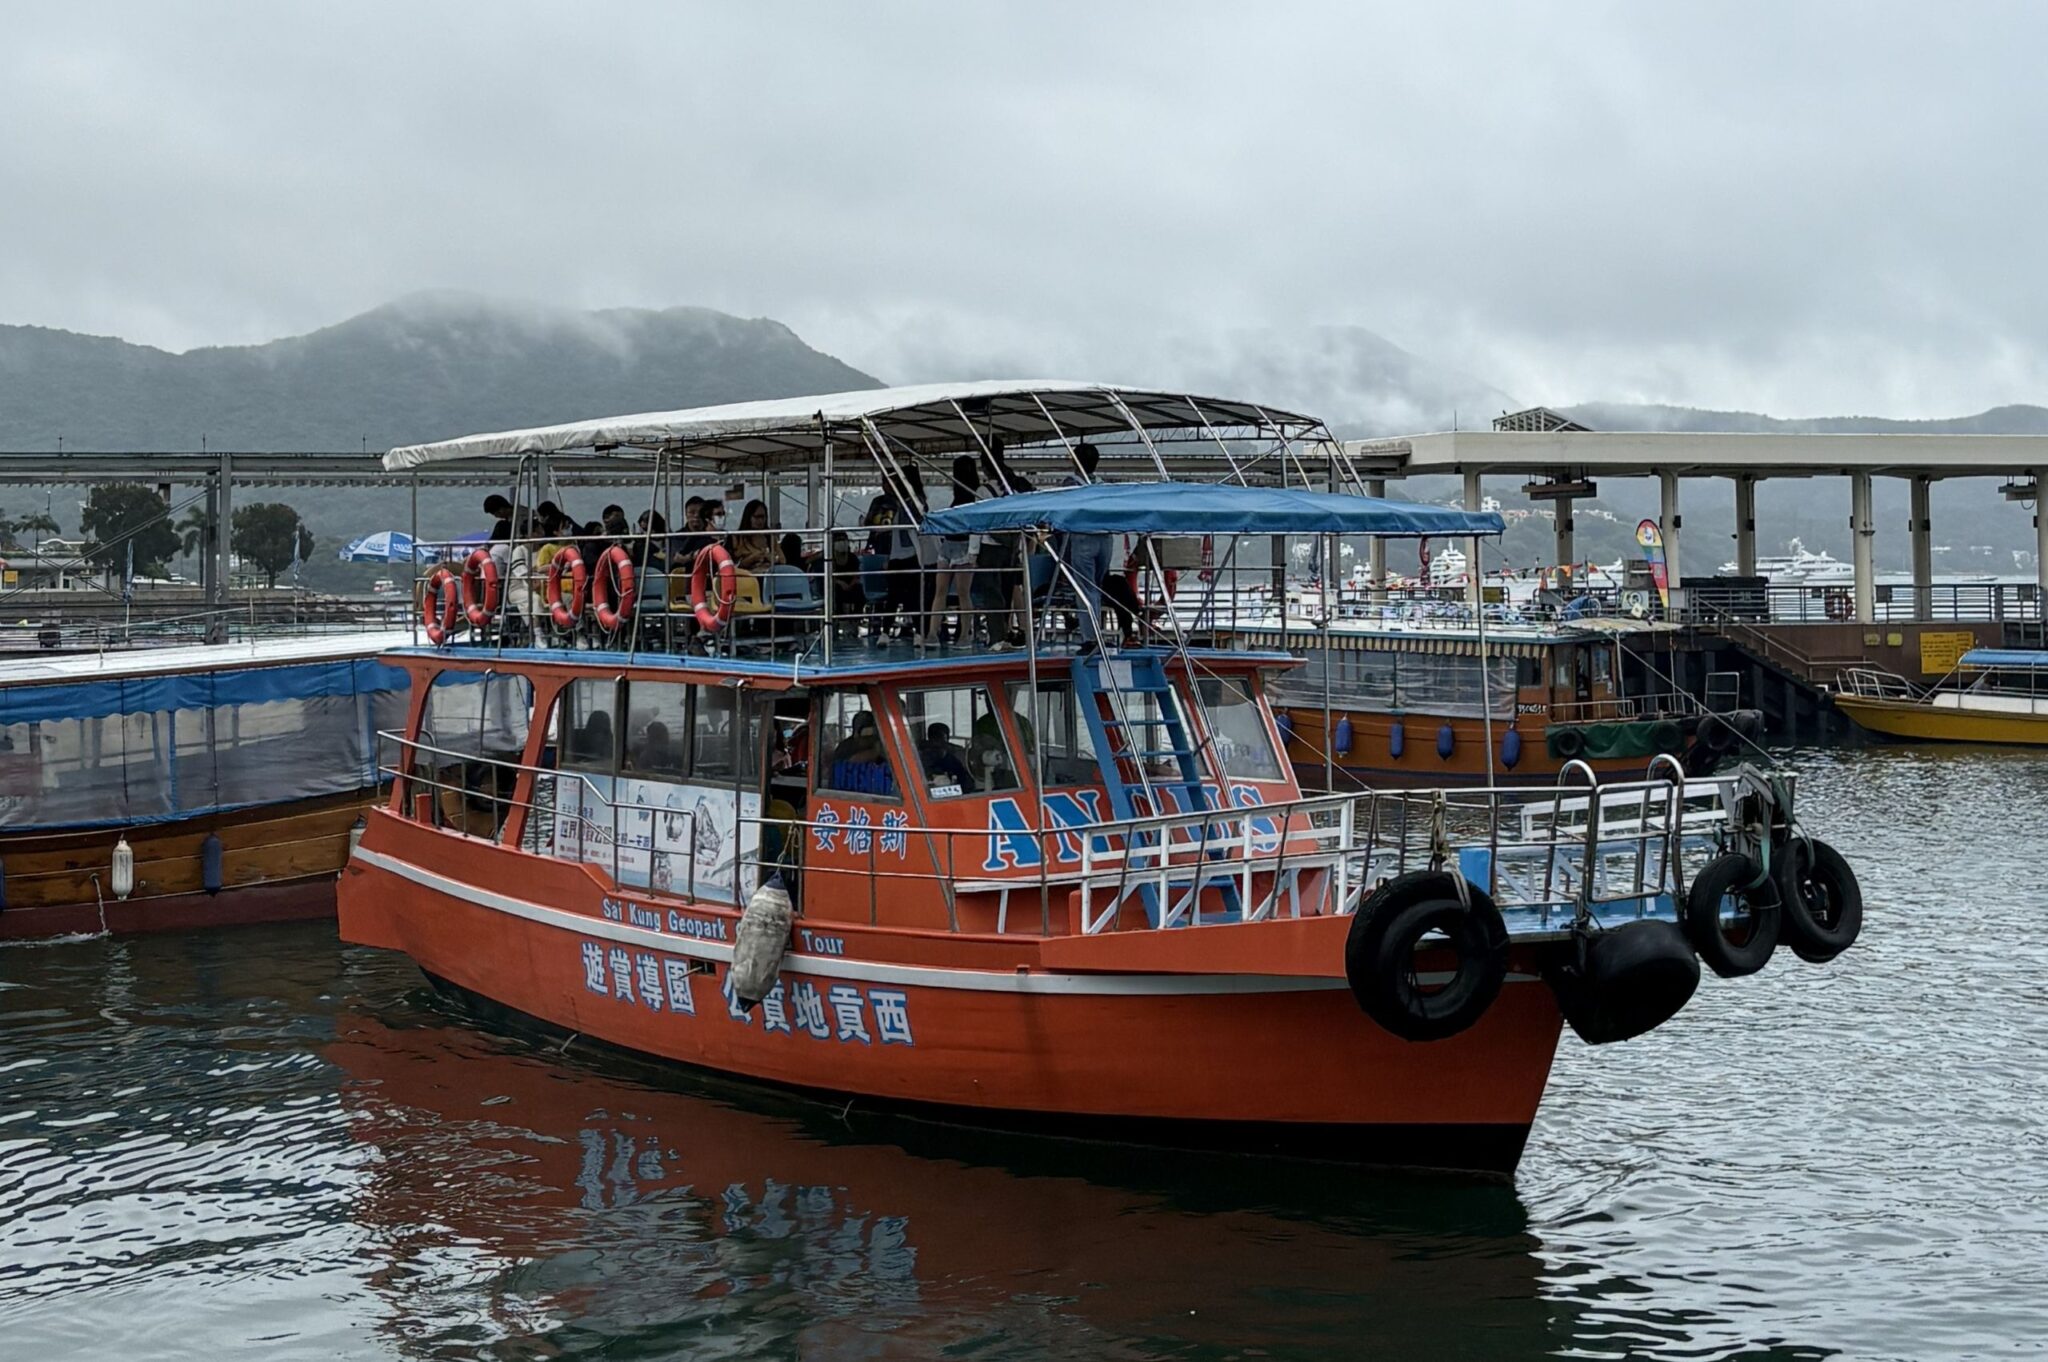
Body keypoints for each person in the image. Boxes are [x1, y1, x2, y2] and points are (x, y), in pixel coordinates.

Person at [1057, 442, 1113, 653]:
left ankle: (1090, 638)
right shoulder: (1103, 484)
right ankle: (1098, 632)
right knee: (1096, 588)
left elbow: (1063, 512)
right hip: (1105, 538)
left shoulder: (1070, 483)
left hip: (1082, 539)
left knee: (1083, 589)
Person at [923, 455, 979, 644]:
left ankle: (960, 634)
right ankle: (935, 632)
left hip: (960, 545)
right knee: (952, 592)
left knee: (953, 592)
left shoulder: (969, 496)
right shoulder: (970, 495)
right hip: (954, 544)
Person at [917, 720, 974, 792]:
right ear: (930, 740)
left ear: (947, 740)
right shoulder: (920, 759)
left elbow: (967, 784)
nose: (938, 743)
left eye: (940, 738)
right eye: (935, 738)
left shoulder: (953, 761)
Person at [730, 499, 780, 573]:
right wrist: (752, 558)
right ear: (748, 517)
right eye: (757, 517)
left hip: (769, 574)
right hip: (747, 576)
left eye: (763, 517)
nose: (760, 521)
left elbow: (782, 559)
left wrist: (771, 558)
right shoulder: (737, 538)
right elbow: (733, 565)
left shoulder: (770, 536)